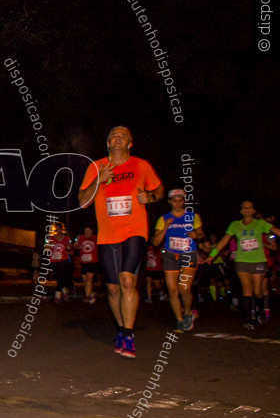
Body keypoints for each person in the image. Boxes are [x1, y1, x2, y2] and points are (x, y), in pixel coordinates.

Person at [78, 126, 164, 359]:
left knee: (128, 280)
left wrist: (151, 197)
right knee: (112, 287)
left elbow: (158, 189)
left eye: (123, 135)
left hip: (135, 230)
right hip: (107, 234)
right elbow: (83, 201)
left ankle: (128, 333)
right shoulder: (95, 167)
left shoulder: (141, 165)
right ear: (107, 143)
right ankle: (121, 329)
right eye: (113, 135)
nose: (117, 138)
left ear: (130, 143)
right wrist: (99, 180)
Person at [208, 201, 280, 329]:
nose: (247, 210)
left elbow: (276, 231)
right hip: (242, 261)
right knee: (246, 290)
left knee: (257, 291)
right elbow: (224, 241)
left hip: (258, 260)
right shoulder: (235, 225)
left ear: (253, 211)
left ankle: (259, 309)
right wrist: (212, 255)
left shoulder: (260, 224)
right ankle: (248, 319)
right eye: (244, 208)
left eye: (249, 208)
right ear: (241, 211)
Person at [152, 189, 203, 332]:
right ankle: (179, 320)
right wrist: (165, 228)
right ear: (169, 202)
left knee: (184, 288)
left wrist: (196, 235)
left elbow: (200, 234)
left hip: (188, 255)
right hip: (170, 255)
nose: (177, 203)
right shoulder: (163, 219)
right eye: (174, 200)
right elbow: (155, 241)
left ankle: (187, 313)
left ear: (184, 201)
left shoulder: (193, 217)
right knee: (172, 290)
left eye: (180, 200)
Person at [47, 221, 73, 303]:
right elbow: (47, 249)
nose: (57, 231)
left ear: (61, 230)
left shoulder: (66, 238)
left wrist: (68, 248)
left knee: (61, 276)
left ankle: (57, 295)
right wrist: (49, 246)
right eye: (56, 230)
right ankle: (65, 291)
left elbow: (71, 250)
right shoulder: (51, 238)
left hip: (63, 260)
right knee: (58, 277)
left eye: (59, 229)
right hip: (54, 260)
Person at [76, 225, 100, 304]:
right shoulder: (80, 237)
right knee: (85, 280)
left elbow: (99, 248)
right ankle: (91, 294)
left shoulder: (95, 238)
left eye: (89, 230)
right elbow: (74, 245)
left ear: (92, 231)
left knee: (89, 279)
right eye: (85, 230)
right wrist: (77, 246)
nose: (87, 232)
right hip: (83, 261)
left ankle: (88, 297)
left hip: (92, 262)